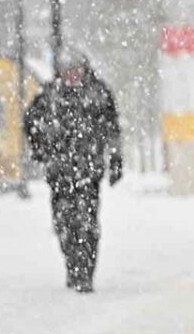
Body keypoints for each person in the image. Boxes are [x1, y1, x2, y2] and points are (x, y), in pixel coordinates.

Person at [24, 48, 122, 293]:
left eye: (75, 70)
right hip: (59, 173)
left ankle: (85, 272)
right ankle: (72, 265)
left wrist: (115, 159)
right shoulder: (49, 96)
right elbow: (30, 124)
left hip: (89, 173)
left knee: (87, 223)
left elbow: (112, 129)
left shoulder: (98, 94)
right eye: (67, 71)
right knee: (64, 223)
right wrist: (40, 149)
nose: (72, 75)